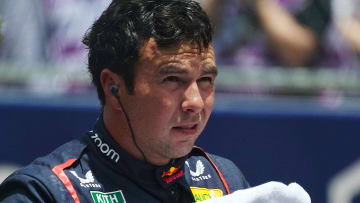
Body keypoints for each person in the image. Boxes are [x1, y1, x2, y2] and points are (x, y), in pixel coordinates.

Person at [0, 0, 250, 202]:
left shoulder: (225, 181)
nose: (195, 101)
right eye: (173, 79)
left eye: (205, 80)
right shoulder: (46, 193)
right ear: (113, 88)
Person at [197, 0, 331, 68]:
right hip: (221, 101)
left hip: (277, 106)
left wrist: (259, 3)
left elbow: (298, 52)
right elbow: (193, 36)